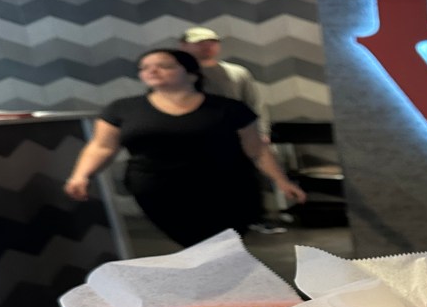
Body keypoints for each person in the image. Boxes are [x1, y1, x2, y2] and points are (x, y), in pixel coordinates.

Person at [64, 48, 306, 248]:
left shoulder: (229, 108)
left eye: (163, 65)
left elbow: (258, 150)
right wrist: (81, 175)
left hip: (228, 189)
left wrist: (282, 182)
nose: (151, 71)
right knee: (194, 244)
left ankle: (228, 296)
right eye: (145, 67)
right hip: (159, 191)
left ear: (191, 73)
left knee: (225, 246)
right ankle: (214, 295)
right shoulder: (123, 109)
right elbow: (101, 147)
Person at [179, 26, 285, 234]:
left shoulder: (237, 73)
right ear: (184, 46)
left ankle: (254, 218)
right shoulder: (178, 74)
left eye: (211, 43)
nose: (206, 48)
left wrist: (261, 132)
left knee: (246, 177)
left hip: (238, 134)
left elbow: (254, 103)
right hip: (197, 137)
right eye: (200, 43)